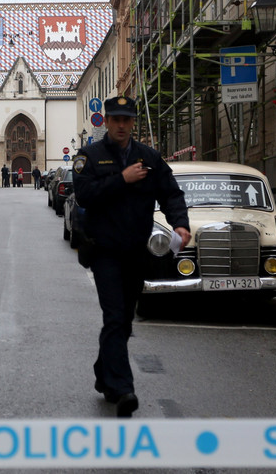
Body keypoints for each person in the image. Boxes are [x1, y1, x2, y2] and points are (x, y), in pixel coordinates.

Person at [72, 96, 191, 418]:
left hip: (135, 251)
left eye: (127, 120)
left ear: (133, 122)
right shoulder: (90, 156)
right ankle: (123, 388)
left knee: (123, 320)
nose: (122, 125)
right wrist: (121, 180)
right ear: (106, 121)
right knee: (114, 316)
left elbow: (170, 192)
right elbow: (83, 194)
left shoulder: (148, 157)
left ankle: (103, 372)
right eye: (116, 119)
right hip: (104, 251)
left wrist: (180, 223)